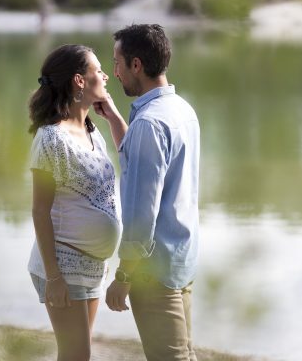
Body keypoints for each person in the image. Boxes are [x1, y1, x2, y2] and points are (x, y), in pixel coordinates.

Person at [98, 24, 200, 361]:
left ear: (136, 65)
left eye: (117, 63)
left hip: (152, 272)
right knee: (185, 354)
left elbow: (142, 212)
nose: (114, 71)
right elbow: (143, 165)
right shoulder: (180, 110)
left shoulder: (149, 124)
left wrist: (124, 275)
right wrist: (114, 117)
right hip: (181, 259)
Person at [27, 44, 122, 361]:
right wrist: (53, 278)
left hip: (92, 266)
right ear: (80, 81)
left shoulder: (94, 131)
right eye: (98, 70)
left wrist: (112, 115)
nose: (106, 76)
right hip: (62, 266)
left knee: (76, 355)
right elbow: (40, 211)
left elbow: (131, 157)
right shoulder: (51, 138)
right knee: (76, 355)